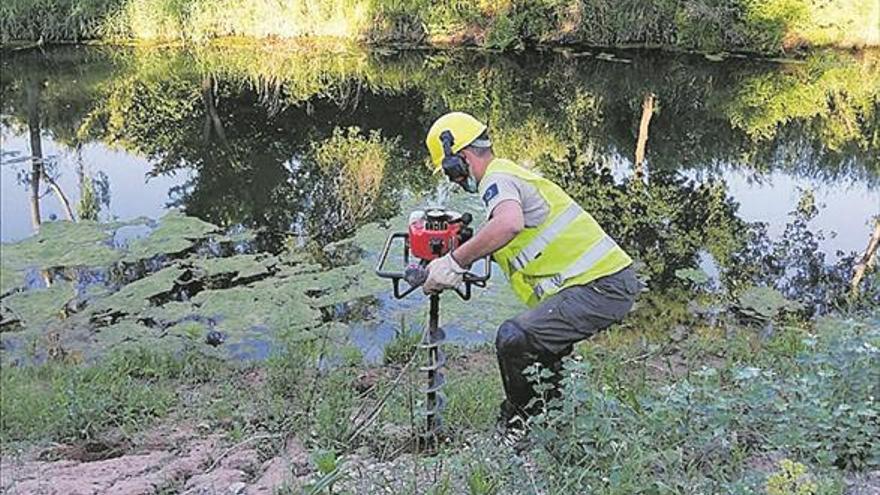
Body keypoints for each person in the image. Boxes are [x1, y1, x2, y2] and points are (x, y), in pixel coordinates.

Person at [422, 112, 642, 432]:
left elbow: (509, 224)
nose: (452, 180)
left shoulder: (497, 179)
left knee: (516, 338)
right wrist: (469, 245)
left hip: (601, 286)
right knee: (540, 350)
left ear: (461, 158)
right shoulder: (505, 178)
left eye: (449, 172)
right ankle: (550, 425)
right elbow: (511, 238)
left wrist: (455, 261)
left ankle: (520, 430)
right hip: (597, 285)